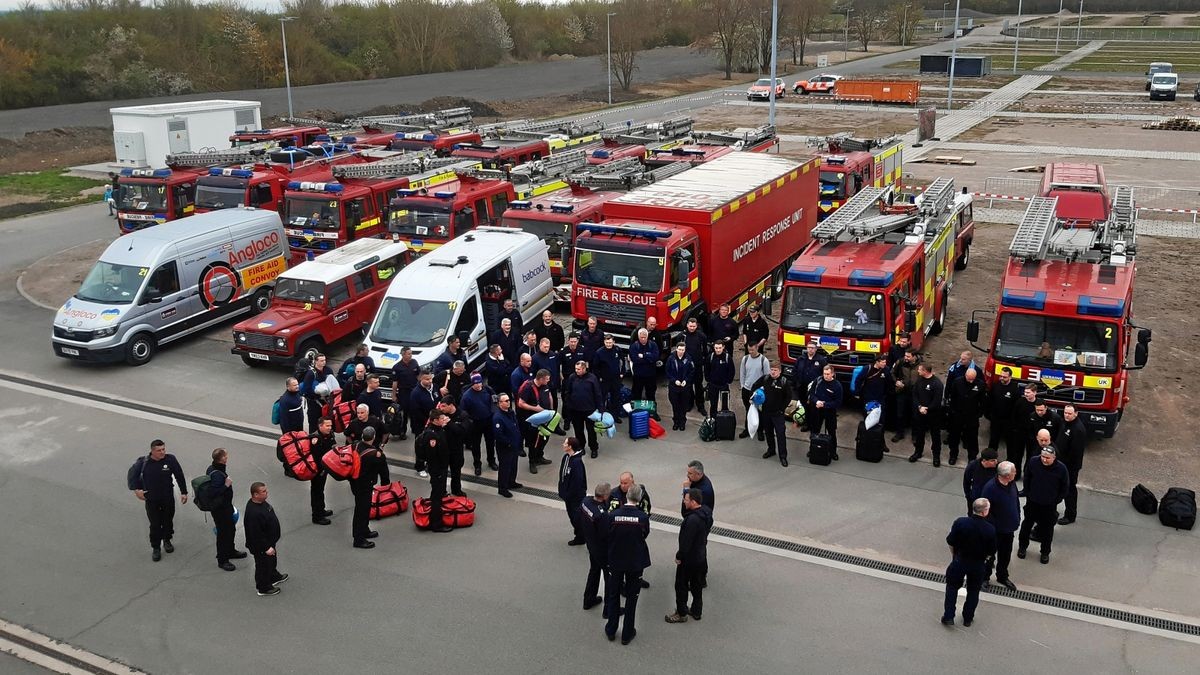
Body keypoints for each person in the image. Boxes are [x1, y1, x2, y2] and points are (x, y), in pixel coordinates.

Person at [604, 484, 651, 646]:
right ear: (639, 498)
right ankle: (627, 633)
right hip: (634, 562)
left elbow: (608, 534)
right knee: (632, 598)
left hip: (616, 560)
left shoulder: (613, 515)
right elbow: (644, 534)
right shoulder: (642, 518)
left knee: (613, 594)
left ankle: (611, 629)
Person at [940, 498, 997, 627]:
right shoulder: (990, 529)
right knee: (973, 590)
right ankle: (968, 618)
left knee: (952, 587)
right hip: (977, 564)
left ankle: (949, 616)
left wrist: (954, 555)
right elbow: (991, 550)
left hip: (960, 560)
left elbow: (950, 541)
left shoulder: (961, 523)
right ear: (984, 512)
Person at [130, 439, 188, 562]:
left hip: (167, 497)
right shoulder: (143, 463)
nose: (162, 452)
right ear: (152, 451)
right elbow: (133, 477)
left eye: (163, 449)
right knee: (155, 524)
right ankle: (156, 547)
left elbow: (179, 475)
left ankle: (167, 540)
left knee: (168, 520)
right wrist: (137, 491)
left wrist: (184, 492)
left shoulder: (170, 459)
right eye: (159, 450)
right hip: (151, 499)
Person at [1017, 435, 1069, 564]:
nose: (1044, 460)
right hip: (1033, 502)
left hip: (1049, 505)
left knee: (1047, 530)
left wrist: (1055, 500)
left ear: (1054, 458)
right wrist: (1028, 492)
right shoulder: (1034, 462)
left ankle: (1045, 552)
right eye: (1043, 457)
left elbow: (1065, 487)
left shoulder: (1061, 469)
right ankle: (1022, 547)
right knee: (1026, 525)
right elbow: (1027, 478)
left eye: (1047, 458)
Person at [665, 488, 713, 624]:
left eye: (685, 500)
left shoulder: (691, 521)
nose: (683, 502)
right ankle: (697, 611)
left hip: (689, 560)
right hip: (701, 556)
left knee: (681, 585)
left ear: (692, 501)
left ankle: (681, 613)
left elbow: (685, 543)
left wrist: (679, 556)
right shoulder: (706, 513)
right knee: (697, 585)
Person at [982, 461, 1020, 591]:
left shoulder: (1011, 484)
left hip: (1008, 529)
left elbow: (1015, 501)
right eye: (1014, 471)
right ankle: (984, 578)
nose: (1016, 473)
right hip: (995, 531)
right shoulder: (990, 488)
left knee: (1005, 554)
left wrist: (1017, 516)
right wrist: (994, 527)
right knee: (989, 555)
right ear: (1007, 475)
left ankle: (1002, 576)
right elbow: (986, 511)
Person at [205, 448, 245, 572]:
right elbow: (213, 492)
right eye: (225, 456)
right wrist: (226, 485)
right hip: (220, 509)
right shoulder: (217, 474)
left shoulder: (212, 468)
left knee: (231, 529)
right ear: (222, 458)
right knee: (223, 533)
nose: (227, 457)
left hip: (225, 507)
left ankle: (230, 551)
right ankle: (222, 560)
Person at [243, 482, 286, 597]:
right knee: (263, 565)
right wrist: (266, 548)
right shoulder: (253, 513)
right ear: (255, 495)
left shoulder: (261, 502)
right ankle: (263, 587)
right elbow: (255, 534)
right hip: (261, 546)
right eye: (263, 491)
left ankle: (273, 576)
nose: (267, 493)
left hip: (269, 541)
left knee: (271, 561)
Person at [349, 426, 386, 548]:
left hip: (355, 482)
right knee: (362, 510)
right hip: (365, 485)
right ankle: (358, 539)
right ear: (374, 437)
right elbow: (383, 468)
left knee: (363, 508)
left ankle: (365, 530)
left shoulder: (356, 445)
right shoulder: (374, 454)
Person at [580, 482, 613, 612]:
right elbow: (605, 534)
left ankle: (588, 599)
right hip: (601, 549)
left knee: (594, 570)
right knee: (608, 576)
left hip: (591, 544)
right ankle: (609, 609)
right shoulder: (602, 515)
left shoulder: (585, 501)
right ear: (605, 496)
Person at [420, 411, 454, 534]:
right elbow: (432, 455)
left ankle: (436, 519)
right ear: (434, 420)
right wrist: (438, 469)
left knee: (438, 494)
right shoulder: (431, 435)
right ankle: (436, 523)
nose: (443, 419)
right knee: (436, 496)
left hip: (441, 468)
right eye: (441, 418)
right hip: (437, 469)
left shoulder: (438, 430)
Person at [753, 362, 792, 467]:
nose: (773, 372)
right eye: (771, 370)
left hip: (778, 414)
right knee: (768, 433)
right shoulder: (765, 379)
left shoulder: (784, 382)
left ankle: (783, 456)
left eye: (775, 370)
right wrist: (753, 397)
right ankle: (771, 450)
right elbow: (755, 386)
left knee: (780, 435)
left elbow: (788, 397)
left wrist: (781, 409)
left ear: (780, 371)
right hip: (766, 412)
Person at [517, 369, 557, 474]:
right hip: (533, 420)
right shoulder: (528, 388)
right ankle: (532, 462)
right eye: (547, 380)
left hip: (545, 418)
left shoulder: (545, 386)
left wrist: (551, 411)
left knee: (545, 438)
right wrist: (536, 409)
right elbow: (521, 403)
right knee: (533, 442)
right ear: (541, 379)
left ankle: (539, 456)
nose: (548, 381)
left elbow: (549, 396)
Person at [563, 360, 604, 456]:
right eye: (576, 369)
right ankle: (581, 446)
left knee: (591, 431)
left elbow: (598, 394)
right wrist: (568, 405)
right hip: (576, 410)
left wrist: (600, 409)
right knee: (578, 430)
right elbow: (567, 391)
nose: (577, 371)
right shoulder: (572, 377)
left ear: (584, 369)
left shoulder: (592, 378)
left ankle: (594, 448)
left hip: (589, 410)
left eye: (579, 369)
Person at [1056, 404, 1088, 525]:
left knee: (1069, 490)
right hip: (1060, 462)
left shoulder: (1078, 430)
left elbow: (1075, 453)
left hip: (1070, 467)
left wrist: (1065, 467)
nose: (1066, 415)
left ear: (1076, 413)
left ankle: (1070, 515)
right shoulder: (1064, 423)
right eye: (1065, 413)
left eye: (1069, 413)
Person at [946, 367, 985, 465]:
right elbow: (952, 397)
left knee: (972, 438)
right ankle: (953, 455)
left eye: (973, 379)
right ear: (965, 375)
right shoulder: (957, 382)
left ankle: (972, 457)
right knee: (954, 436)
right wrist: (952, 411)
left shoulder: (980, 384)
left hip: (972, 416)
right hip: (958, 414)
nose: (971, 381)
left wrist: (979, 413)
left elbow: (983, 401)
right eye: (969, 378)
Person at [908, 363, 945, 466]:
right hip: (920, 414)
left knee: (935, 437)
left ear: (925, 371)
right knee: (919, 435)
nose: (918, 371)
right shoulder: (919, 380)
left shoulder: (937, 384)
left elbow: (937, 401)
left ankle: (936, 456)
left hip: (934, 415)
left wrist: (927, 408)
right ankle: (917, 452)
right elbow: (914, 395)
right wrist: (919, 407)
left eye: (920, 370)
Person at [460, 373, 497, 474]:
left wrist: (493, 413)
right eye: (475, 383)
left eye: (479, 382)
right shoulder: (466, 396)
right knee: (476, 446)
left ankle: (491, 461)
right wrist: (470, 422)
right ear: (472, 384)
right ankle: (477, 464)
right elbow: (463, 412)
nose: (478, 385)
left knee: (490, 443)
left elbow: (495, 401)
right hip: (475, 424)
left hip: (488, 421)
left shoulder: (488, 390)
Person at [437, 396, 471, 497]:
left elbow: (462, 431)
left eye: (444, 406)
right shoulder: (441, 414)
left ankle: (456, 489)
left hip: (456, 448)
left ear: (451, 405)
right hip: (444, 448)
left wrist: (449, 423)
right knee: (442, 471)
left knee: (456, 471)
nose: (441, 408)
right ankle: (441, 491)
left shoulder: (462, 415)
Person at [808, 365, 844, 459]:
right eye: (824, 374)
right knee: (815, 430)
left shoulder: (837, 386)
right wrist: (816, 401)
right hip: (817, 410)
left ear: (832, 374)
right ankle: (812, 448)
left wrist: (825, 404)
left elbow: (838, 402)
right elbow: (811, 394)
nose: (826, 376)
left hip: (830, 411)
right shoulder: (818, 381)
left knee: (832, 431)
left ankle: (833, 452)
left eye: (828, 374)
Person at [1023, 399, 1062, 484]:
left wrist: (1051, 444)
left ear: (1046, 408)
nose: (1039, 412)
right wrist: (1033, 442)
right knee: (1030, 463)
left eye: (1041, 410)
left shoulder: (1055, 418)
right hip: (1035, 445)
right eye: (1037, 410)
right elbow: (1029, 430)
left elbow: (1059, 434)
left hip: (1049, 446)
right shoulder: (1032, 416)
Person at [492, 393, 524, 498]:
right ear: (499, 403)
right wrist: (509, 443)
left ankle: (511, 482)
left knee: (513, 465)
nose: (508, 402)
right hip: (505, 447)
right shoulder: (498, 417)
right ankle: (502, 488)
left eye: (509, 400)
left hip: (514, 445)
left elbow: (516, 426)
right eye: (505, 401)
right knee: (505, 468)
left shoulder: (511, 412)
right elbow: (499, 435)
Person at [559, 437, 588, 546]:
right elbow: (562, 475)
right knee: (572, 516)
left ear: (570, 447)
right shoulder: (566, 457)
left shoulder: (576, 462)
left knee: (576, 517)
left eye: (565, 443)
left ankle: (581, 536)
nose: (563, 444)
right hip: (568, 495)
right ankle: (581, 534)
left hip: (575, 496)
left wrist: (568, 494)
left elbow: (577, 482)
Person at [307, 417, 336, 525]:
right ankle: (317, 516)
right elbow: (316, 457)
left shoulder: (329, 434)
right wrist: (321, 469)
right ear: (320, 426)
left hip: (324, 468)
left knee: (320, 490)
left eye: (330, 425)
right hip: (317, 470)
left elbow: (332, 446)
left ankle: (321, 509)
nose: (330, 428)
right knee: (316, 491)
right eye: (327, 426)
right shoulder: (315, 439)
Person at [793, 342, 827, 433]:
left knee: (814, 408)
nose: (810, 349)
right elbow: (795, 371)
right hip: (802, 387)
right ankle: (807, 424)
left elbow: (825, 374)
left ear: (816, 349)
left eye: (812, 348)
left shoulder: (821, 360)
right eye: (809, 347)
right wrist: (797, 383)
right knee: (805, 406)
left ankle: (814, 427)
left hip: (814, 389)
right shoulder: (801, 359)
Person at [985, 367, 1020, 455]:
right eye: (1001, 376)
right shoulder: (995, 385)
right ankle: (991, 458)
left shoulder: (1015, 389)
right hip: (995, 419)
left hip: (1008, 421)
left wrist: (1013, 421)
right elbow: (989, 400)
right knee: (993, 440)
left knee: (1010, 443)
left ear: (1010, 377)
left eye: (1004, 377)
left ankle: (1010, 461)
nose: (1002, 378)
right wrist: (989, 414)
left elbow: (1017, 407)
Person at [409, 371, 438, 475]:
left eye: (430, 378)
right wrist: (428, 420)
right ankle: (420, 466)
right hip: (421, 424)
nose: (430, 381)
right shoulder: (415, 393)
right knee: (421, 446)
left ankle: (431, 463)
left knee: (433, 444)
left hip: (435, 423)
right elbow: (415, 411)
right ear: (420, 379)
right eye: (427, 379)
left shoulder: (434, 388)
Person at [739, 342, 770, 439]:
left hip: (758, 391)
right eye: (749, 350)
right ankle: (747, 429)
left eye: (752, 350)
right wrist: (743, 385)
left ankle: (760, 430)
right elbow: (742, 373)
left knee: (760, 411)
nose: (751, 352)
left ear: (757, 348)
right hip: (747, 389)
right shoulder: (745, 359)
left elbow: (767, 376)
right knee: (748, 410)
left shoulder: (763, 360)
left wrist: (763, 389)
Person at [678, 317, 709, 414]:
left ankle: (700, 406)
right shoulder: (682, 336)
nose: (692, 328)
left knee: (699, 386)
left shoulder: (701, 336)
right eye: (690, 326)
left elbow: (705, 350)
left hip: (698, 365)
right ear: (687, 325)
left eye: (694, 326)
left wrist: (703, 361)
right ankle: (689, 404)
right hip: (686, 366)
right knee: (688, 386)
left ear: (697, 326)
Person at [390, 347, 421, 440]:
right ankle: (402, 431)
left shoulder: (414, 363)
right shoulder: (397, 367)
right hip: (404, 392)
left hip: (414, 390)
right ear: (403, 355)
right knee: (405, 413)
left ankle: (415, 428)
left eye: (411, 353)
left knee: (415, 410)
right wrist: (394, 395)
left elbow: (418, 375)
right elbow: (395, 383)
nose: (411, 355)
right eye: (409, 354)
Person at [591, 334, 623, 422]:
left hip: (616, 379)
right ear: (604, 342)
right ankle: (601, 416)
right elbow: (595, 367)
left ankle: (615, 416)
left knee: (616, 398)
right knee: (602, 398)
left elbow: (622, 361)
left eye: (610, 342)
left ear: (614, 342)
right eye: (607, 342)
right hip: (604, 380)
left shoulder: (617, 350)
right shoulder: (599, 352)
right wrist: (599, 378)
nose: (608, 344)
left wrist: (622, 373)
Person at [1009, 384, 1038, 482]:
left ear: (1034, 393)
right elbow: (1014, 416)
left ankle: (1027, 474)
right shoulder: (1020, 402)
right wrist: (1014, 429)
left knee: (1031, 455)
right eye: (1025, 392)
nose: (1026, 394)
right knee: (1017, 454)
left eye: (1028, 393)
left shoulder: (1038, 404)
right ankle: (1016, 474)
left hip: (1032, 435)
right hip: (1019, 433)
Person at [891, 349, 920, 442]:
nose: (906, 358)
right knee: (900, 414)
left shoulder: (922, 364)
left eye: (908, 356)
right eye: (905, 356)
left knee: (915, 415)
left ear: (914, 356)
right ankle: (899, 433)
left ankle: (915, 435)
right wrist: (896, 381)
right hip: (902, 392)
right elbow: (892, 373)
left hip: (915, 394)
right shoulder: (900, 362)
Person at [301, 353, 335, 431]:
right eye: (321, 360)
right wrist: (318, 394)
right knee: (314, 424)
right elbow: (306, 389)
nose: (324, 362)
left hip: (326, 402)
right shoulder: (310, 374)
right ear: (316, 361)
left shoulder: (328, 370)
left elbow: (333, 383)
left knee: (326, 423)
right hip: (314, 404)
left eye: (325, 360)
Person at [666, 343, 695, 431]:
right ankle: (676, 422)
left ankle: (682, 422)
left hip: (685, 387)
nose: (681, 351)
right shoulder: (671, 358)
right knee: (675, 405)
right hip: (674, 386)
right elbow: (667, 371)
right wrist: (674, 380)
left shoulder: (688, 358)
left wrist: (686, 380)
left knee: (683, 405)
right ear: (676, 349)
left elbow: (692, 371)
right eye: (680, 349)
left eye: (683, 350)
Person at [705, 341, 735, 420]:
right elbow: (706, 370)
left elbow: (731, 370)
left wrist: (729, 381)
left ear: (723, 347)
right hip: (713, 385)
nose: (718, 350)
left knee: (724, 405)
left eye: (720, 348)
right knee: (713, 405)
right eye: (716, 348)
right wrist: (708, 380)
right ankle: (713, 421)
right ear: (714, 348)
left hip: (724, 385)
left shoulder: (727, 358)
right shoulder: (710, 357)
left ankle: (724, 422)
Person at [628, 328, 659, 403]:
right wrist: (649, 358)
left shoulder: (653, 345)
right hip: (638, 376)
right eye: (641, 337)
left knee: (651, 395)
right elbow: (635, 360)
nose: (643, 339)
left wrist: (644, 356)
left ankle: (652, 412)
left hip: (650, 375)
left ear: (647, 337)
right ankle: (636, 411)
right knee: (636, 394)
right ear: (638, 337)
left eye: (644, 337)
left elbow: (655, 357)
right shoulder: (634, 346)